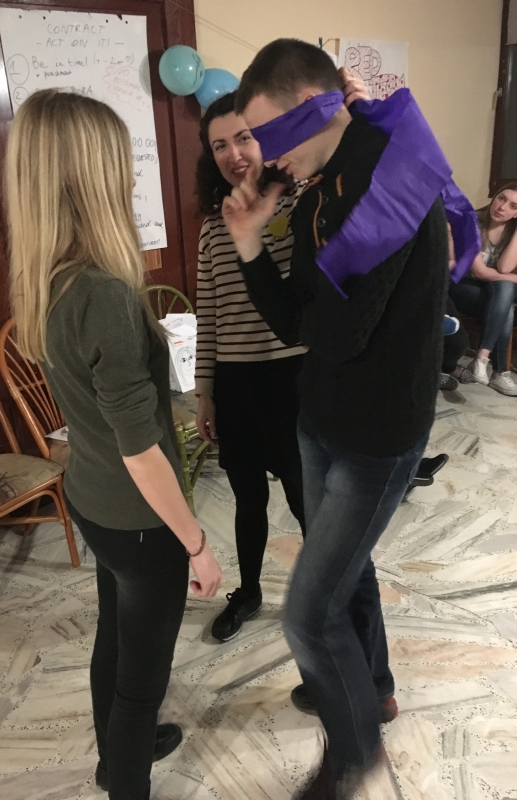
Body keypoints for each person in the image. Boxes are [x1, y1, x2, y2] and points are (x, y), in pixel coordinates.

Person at [222, 40, 454, 798]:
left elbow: (337, 333)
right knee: (346, 574)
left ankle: (356, 758)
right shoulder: (321, 182)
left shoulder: (389, 178)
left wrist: (269, 256)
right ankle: (371, 690)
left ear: (310, 107)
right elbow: (301, 322)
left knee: (308, 615)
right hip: (321, 416)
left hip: (377, 434)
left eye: (267, 134)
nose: (262, 156)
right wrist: (251, 244)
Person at [4, 89, 222, 800]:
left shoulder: (46, 279)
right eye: (121, 164)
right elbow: (140, 450)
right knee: (142, 680)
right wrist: (195, 543)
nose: (130, 178)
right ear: (91, 177)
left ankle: (114, 756)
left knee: (116, 635)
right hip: (137, 517)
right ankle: (126, 776)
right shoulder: (103, 293)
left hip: (92, 499)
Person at [194, 72, 374, 643]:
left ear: (265, 138)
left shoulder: (302, 203)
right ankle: (247, 593)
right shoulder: (211, 229)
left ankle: (325, 599)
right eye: (219, 145)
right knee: (247, 500)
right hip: (237, 385)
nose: (233, 154)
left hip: (294, 379)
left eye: (243, 138)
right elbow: (209, 315)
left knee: (307, 501)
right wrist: (205, 391)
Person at [449, 182, 517, 395]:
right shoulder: (473, 222)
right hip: (460, 286)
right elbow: (480, 272)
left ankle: (482, 359)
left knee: (505, 292)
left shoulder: (511, 232)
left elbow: (504, 267)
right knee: (506, 301)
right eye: (501, 198)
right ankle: (499, 373)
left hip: (489, 292)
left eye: (513, 206)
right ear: (494, 198)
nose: (502, 207)